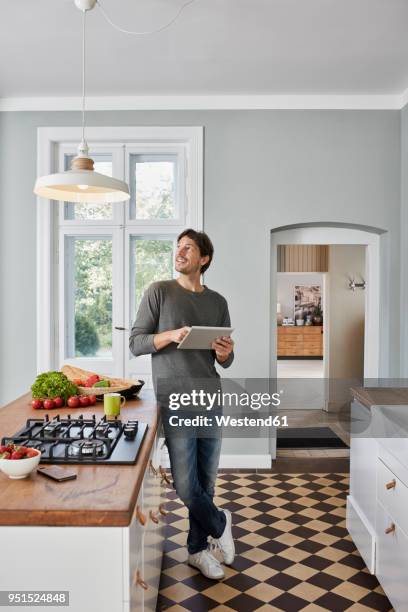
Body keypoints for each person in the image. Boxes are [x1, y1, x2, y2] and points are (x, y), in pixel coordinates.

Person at [129, 228, 235, 580]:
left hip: (210, 398)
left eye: (188, 248)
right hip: (175, 402)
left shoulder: (217, 302)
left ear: (203, 259)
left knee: (205, 483)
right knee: (186, 484)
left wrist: (226, 352)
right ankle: (220, 524)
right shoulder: (159, 292)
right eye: (178, 247)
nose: (180, 252)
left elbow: (224, 361)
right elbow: (137, 342)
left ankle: (197, 550)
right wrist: (171, 335)